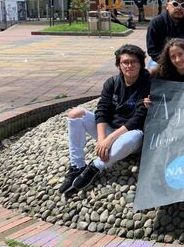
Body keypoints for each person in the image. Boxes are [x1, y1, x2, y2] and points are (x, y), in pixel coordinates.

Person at [59, 44, 151, 195]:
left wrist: (110, 140)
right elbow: (102, 110)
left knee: (134, 135)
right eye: (125, 62)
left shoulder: (148, 84)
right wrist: (102, 139)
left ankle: (95, 167)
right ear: (119, 65)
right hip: (110, 131)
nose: (129, 65)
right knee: (75, 114)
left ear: (141, 63)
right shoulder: (112, 83)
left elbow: (138, 118)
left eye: (134, 61)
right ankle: (77, 166)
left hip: (131, 135)